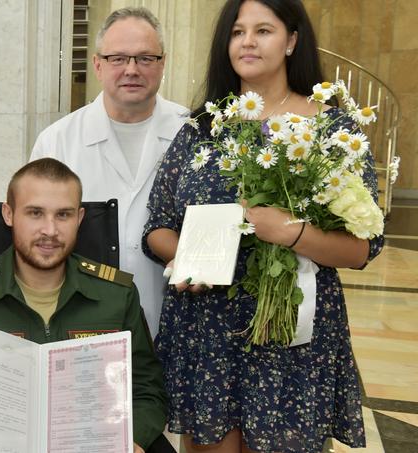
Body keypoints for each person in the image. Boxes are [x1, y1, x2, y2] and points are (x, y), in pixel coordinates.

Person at [142, 1, 383, 452]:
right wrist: (188, 258)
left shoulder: (331, 131)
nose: (247, 42)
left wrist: (290, 232)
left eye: (263, 30)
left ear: (292, 40)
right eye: (237, 32)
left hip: (291, 338)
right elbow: (157, 226)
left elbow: (361, 249)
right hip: (207, 330)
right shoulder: (202, 128)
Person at [0, 158, 167, 453]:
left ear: (79, 218)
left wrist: (132, 440)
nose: (49, 230)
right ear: (9, 214)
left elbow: (148, 391)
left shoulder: (117, 296)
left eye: (63, 214)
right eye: (35, 213)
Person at [31, 7, 188, 337]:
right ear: (98, 65)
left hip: (179, 319)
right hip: (83, 326)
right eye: (118, 58)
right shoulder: (57, 141)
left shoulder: (193, 132)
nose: (132, 69)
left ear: (163, 63)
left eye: (145, 58)